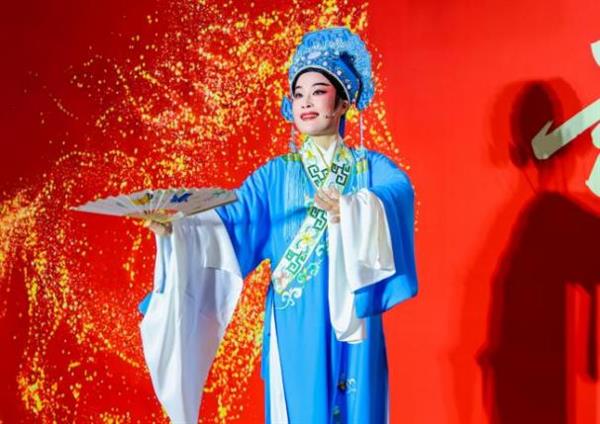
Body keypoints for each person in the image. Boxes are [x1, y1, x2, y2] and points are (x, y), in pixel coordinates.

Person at [139, 26, 418, 423]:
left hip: (355, 316)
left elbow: (399, 191)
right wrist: (177, 230)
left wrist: (356, 207)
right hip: (295, 319)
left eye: (318, 91)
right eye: (298, 94)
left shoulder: (368, 169)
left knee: (357, 408)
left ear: (342, 103)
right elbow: (231, 220)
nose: (306, 102)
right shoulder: (275, 177)